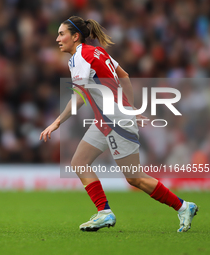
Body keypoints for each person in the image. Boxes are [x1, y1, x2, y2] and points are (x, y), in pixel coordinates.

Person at [39, 16, 198, 232]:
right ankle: (104, 212)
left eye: (61, 34)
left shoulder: (80, 58)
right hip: (105, 119)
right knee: (79, 162)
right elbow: (124, 75)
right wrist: (128, 107)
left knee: (135, 177)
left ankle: (183, 206)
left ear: (75, 36)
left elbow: (79, 97)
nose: (57, 38)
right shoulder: (97, 52)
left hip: (114, 120)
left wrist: (56, 122)